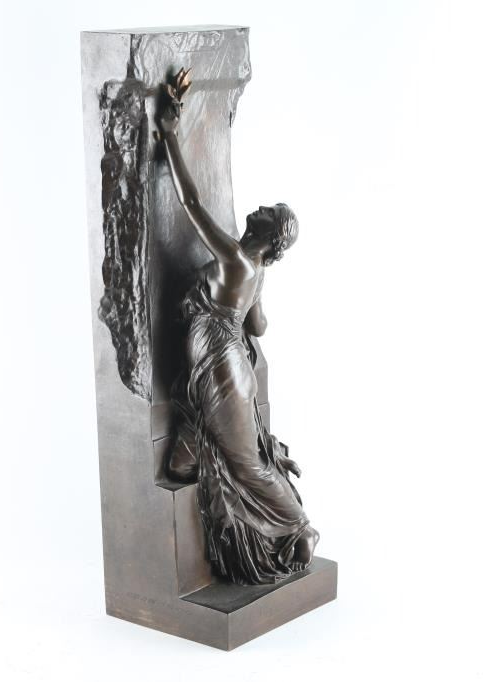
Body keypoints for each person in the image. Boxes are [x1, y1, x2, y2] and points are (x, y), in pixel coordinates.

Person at [156, 80, 319, 585]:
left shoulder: (236, 259)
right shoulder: (253, 272)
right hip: (219, 365)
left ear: (269, 235)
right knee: (183, 466)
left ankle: (299, 526)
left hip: (222, 369)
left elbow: (190, 202)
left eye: (270, 213)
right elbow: (260, 326)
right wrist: (238, 307)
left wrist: (169, 133)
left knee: (247, 464)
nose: (261, 208)